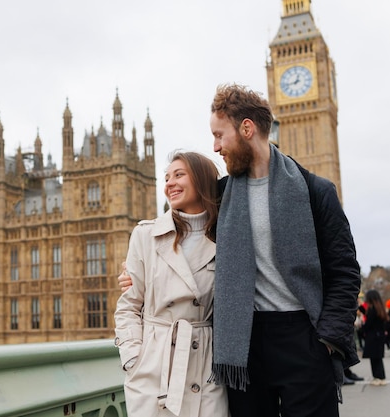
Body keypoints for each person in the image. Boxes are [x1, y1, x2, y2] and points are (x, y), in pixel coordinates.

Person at [119, 84, 361, 417]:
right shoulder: (221, 196)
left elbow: (345, 271)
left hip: (304, 338)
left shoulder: (314, 191)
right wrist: (139, 272)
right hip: (241, 345)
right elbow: (184, 227)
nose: (215, 146)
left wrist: (328, 341)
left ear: (246, 129)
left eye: (220, 135)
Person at [114, 151, 229, 417]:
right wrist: (134, 359)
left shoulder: (227, 236)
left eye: (179, 175)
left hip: (206, 366)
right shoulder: (145, 234)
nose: (169, 183)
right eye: (166, 178)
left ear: (202, 180)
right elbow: (128, 306)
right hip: (154, 365)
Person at [360, 290, 389, 385]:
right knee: (378, 358)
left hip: (372, 337)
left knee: (373, 359)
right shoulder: (380, 309)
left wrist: (362, 328)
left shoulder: (372, 310)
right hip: (379, 337)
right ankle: (382, 377)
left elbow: (368, 323)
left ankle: (377, 377)